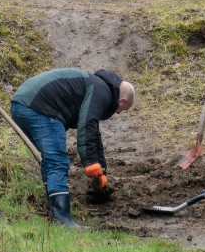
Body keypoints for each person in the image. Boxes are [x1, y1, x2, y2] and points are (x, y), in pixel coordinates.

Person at [10, 68, 136, 228]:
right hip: (39, 108)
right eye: (121, 110)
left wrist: (101, 170)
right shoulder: (102, 91)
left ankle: (52, 207)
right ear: (122, 100)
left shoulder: (97, 85)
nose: (117, 113)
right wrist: (90, 162)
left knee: (50, 160)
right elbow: (87, 124)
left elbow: (94, 133)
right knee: (57, 161)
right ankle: (61, 217)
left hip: (21, 105)